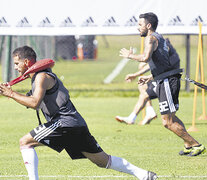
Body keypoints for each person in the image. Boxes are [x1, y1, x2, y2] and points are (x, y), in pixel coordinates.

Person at [0, 46, 157, 180]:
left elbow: (35, 103)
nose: (15, 67)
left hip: (64, 123)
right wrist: (10, 93)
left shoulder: (41, 77)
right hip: (76, 123)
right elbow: (30, 101)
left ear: (27, 62)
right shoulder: (39, 77)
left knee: (25, 142)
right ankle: (144, 175)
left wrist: (12, 94)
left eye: (16, 63)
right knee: (103, 161)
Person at [119, 12, 206, 156]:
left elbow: (145, 57)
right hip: (165, 79)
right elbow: (162, 63)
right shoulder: (159, 38)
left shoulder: (151, 38)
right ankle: (188, 144)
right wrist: (150, 77)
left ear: (148, 25)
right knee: (172, 117)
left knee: (167, 122)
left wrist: (130, 56)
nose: (137, 28)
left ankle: (196, 144)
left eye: (140, 25)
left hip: (167, 82)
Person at [116, 38, 179, 125]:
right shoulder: (163, 55)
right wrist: (136, 75)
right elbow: (151, 65)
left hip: (168, 84)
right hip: (161, 81)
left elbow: (163, 71)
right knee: (142, 85)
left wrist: (148, 76)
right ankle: (149, 112)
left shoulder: (172, 58)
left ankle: (133, 118)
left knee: (169, 121)